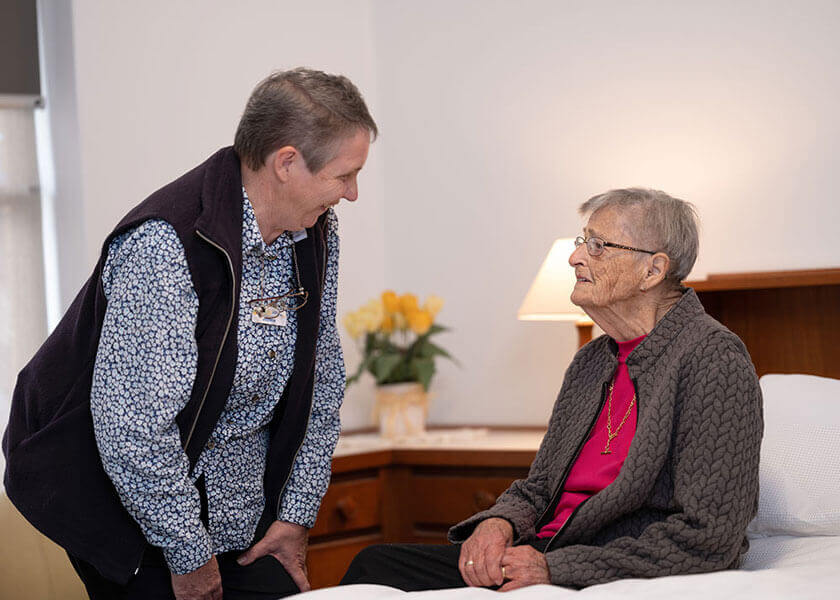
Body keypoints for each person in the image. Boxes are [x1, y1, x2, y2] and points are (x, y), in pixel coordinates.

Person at [3, 68, 377, 600]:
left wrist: (296, 514)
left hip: (240, 519)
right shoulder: (165, 243)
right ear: (287, 163)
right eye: (344, 175)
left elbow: (322, 383)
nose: (353, 193)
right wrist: (188, 553)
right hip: (137, 517)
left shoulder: (315, 231)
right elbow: (133, 429)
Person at [341, 188, 762, 591]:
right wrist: (497, 523)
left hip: (595, 563)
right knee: (374, 565)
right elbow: (540, 487)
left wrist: (556, 568)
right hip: (541, 552)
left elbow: (710, 536)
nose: (575, 257)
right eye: (583, 242)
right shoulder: (592, 360)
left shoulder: (714, 359)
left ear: (653, 270)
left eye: (598, 246)